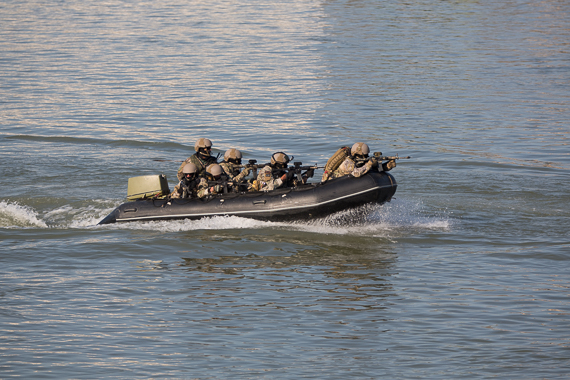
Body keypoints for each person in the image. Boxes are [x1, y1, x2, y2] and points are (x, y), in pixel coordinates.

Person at [330, 142, 396, 180]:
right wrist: (369, 164)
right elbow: (356, 173)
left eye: (366, 155)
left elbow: (375, 170)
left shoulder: (359, 161)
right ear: (355, 154)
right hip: (337, 181)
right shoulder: (347, 162)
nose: (364, 157)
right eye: (363, 156)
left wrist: (388, 165)